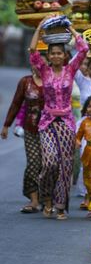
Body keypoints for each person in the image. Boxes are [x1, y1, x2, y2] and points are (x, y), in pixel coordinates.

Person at [29, 17, 89, 220]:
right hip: (46, 122)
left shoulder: (70, 70)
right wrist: (39, 27)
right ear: (49, 55)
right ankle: (47, 199)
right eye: (52, 53)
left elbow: (83, 50)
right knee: (50, 163)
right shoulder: (44, 71)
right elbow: (32, 52)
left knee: (65, 166)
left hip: (66, 123)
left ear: (64, 55)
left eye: (59, 53)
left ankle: (60, 206)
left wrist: (69, 27)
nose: (55, 56)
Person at [1, 68, 44, 213]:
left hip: (50, 129)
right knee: (33, 162)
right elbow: (16, 103)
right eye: (35, 63)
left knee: (48, 164)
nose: (38, 66)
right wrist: (7, 124)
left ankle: (47, 198)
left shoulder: (54, 80)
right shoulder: (26, 82)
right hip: (30, 128)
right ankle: (34, 200)